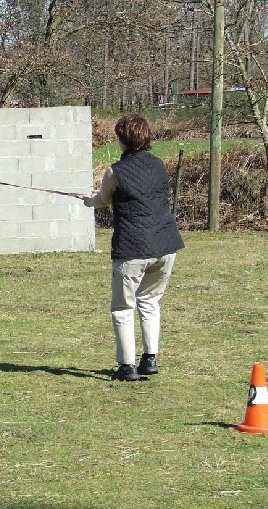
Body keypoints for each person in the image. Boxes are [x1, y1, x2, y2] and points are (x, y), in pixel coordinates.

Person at [82, 114, 183, 381]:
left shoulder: (115, 171)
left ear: (122, 140)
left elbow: (103, 200)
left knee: (123, 308)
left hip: (132, 248)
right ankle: (149, 359)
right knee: (150, 302)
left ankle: (127, 366)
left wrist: (88, 201)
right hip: (165, 245)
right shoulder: (160, 166)